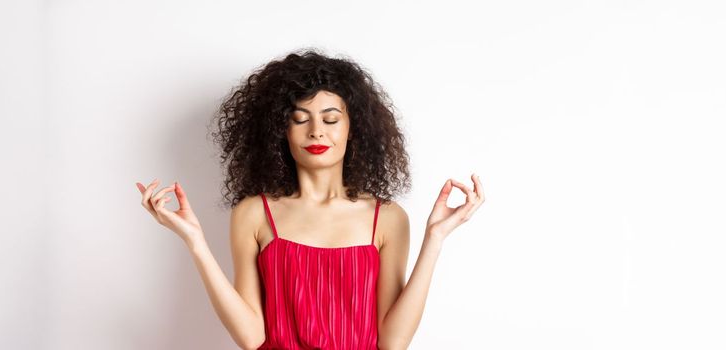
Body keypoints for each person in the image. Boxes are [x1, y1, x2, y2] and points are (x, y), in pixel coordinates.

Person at [136, 48, 485, 350]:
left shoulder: (388, 218)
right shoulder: (254, 213)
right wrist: (195, 242)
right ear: (279, 131)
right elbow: (251, 337)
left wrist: (435, 239)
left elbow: (392, 342)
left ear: (354, 128)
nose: (316, 130)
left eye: (330, 119)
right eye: (300, 119)